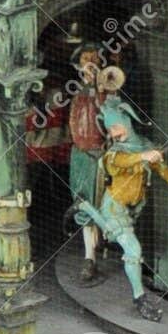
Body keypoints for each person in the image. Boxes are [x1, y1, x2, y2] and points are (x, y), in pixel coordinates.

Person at [73, 107, 168, 322]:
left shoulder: (145, 145)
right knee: (133, 251)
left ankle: (85, 208)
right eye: (110, 130)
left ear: (127, 122)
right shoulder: (115, 153)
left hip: (132, 209)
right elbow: (120, 163)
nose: (113, 133)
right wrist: (143, 156)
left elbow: (163, 170)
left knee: (114, 235)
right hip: (114, 207)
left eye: (116, 127)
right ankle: (140, 298)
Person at [66, 44, 111, 284]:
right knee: (83, 204)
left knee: (104, 203)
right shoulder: (77, 91)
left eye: (94, 59)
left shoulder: (107, 90)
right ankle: (89, 257)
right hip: (82, 155)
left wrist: (99, 89)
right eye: (86, 60)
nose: (90, 64)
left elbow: (109, 119)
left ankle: (103, 244)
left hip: (100, 155)